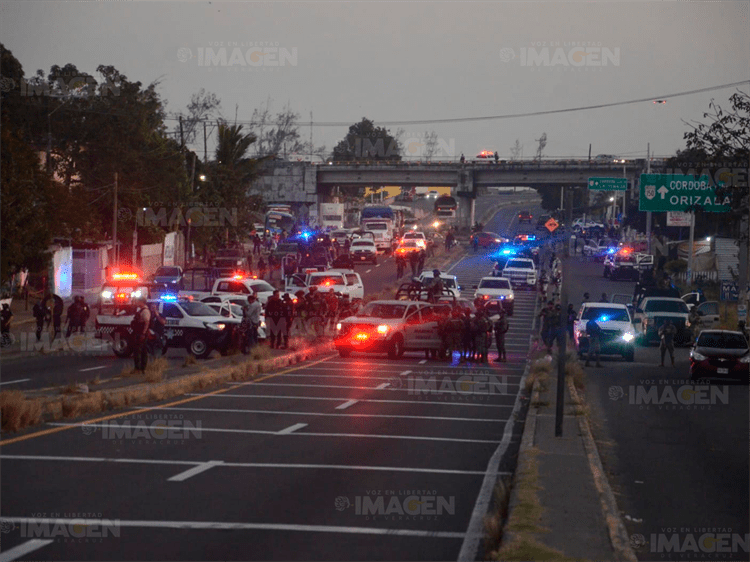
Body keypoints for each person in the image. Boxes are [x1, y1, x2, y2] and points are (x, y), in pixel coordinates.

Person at [131, 297, 151, 373]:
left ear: (141, 302)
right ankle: (139, 368)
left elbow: (147, 322)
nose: (136, 302)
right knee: (139, 351)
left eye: (138, 301)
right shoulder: (141, 310)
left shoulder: (145, 311)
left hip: (141, 333)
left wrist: (143, 333)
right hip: (138, 332)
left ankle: (140, 369)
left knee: (140, 351)